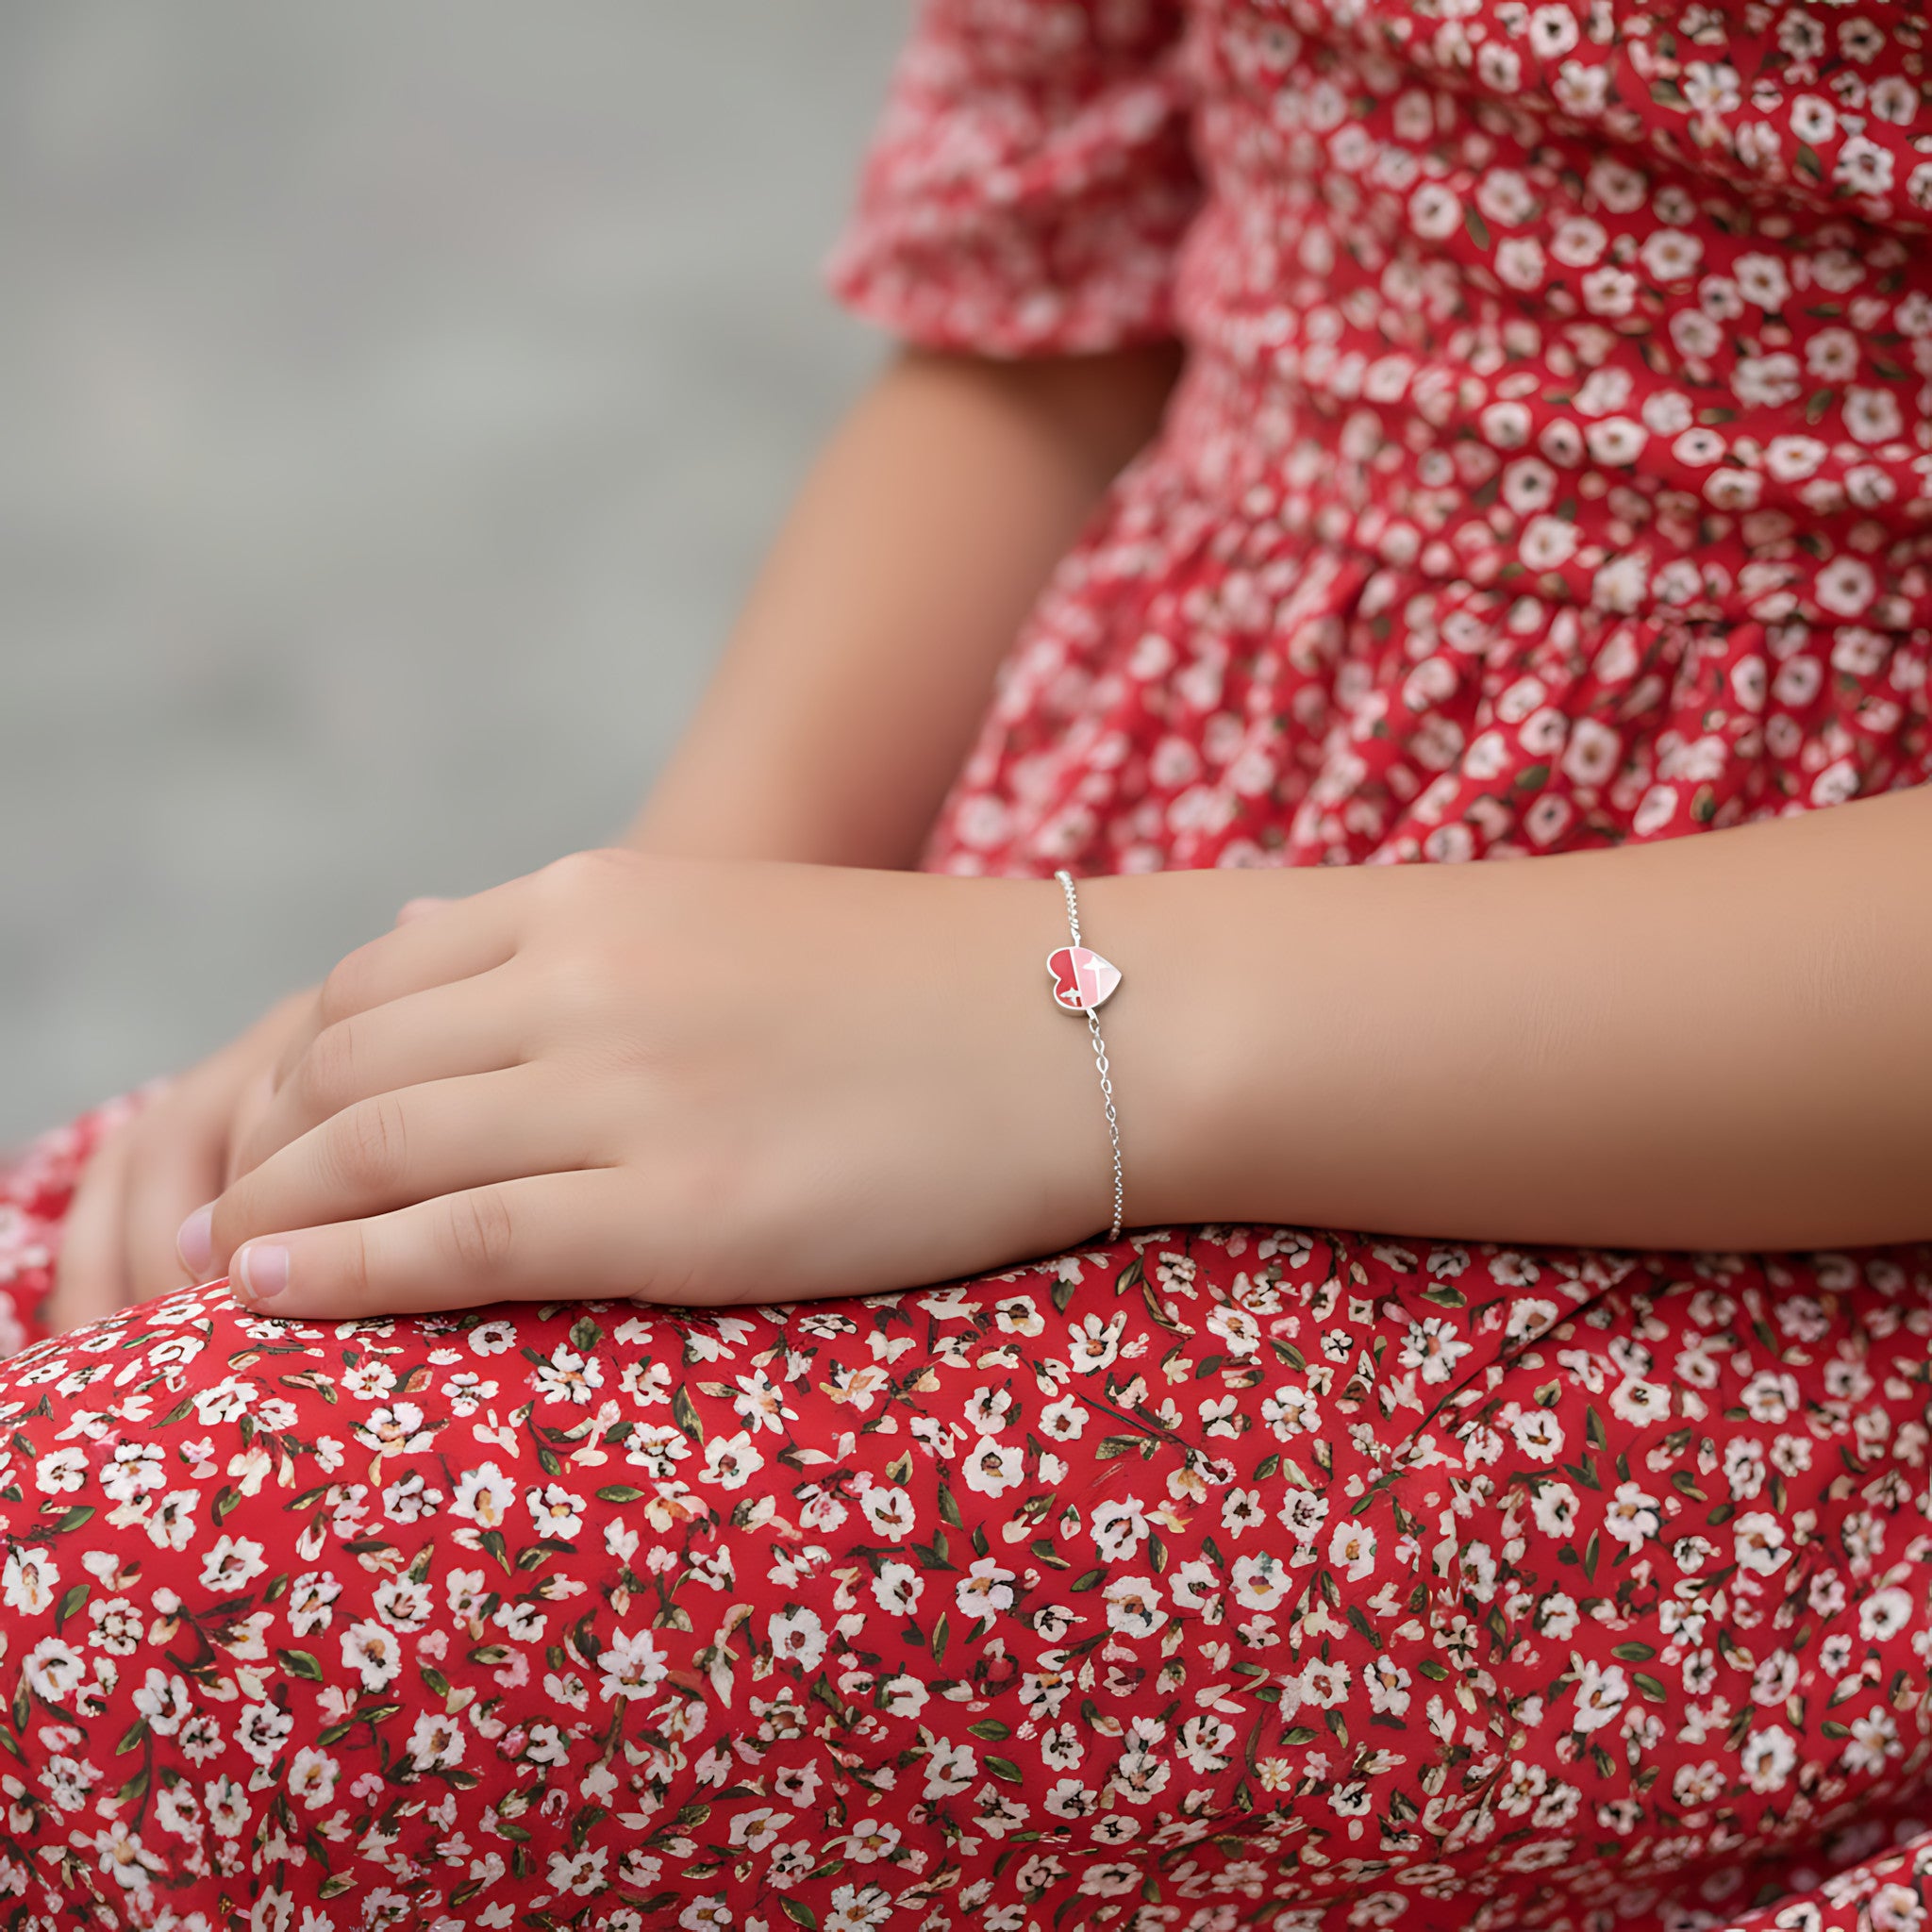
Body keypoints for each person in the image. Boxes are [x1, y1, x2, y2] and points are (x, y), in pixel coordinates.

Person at [4, 0, 1932, 1926]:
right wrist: (591, 990)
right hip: (1024, 907)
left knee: (99, 1605)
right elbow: (1051, 339)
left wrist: (1067, 1031)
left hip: (1754, 1194)